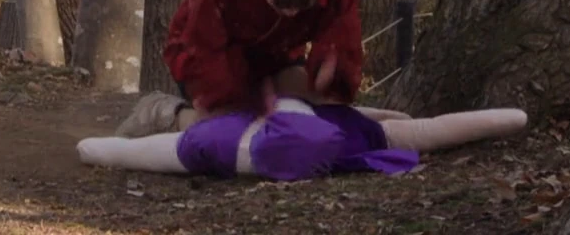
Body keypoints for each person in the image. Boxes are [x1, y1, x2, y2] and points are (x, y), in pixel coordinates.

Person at [114, 0, 365, 138]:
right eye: (282, 2)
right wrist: (235, 100)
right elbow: (202, 44)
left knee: (324, 105)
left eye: (302, 4)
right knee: (229, 127)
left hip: (279, 54)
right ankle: (164, 113)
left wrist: (333, 69)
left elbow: (343, 28)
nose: (292, 12)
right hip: (213, 52)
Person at [78, 98, 529, 181]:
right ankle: (161, 107)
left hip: (226, 127)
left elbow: (119, 152)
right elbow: (425, 129)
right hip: (220, 124)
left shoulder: (209, 144)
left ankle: (162, 109)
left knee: (182, 131)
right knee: (180, 124)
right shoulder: (211, 142)